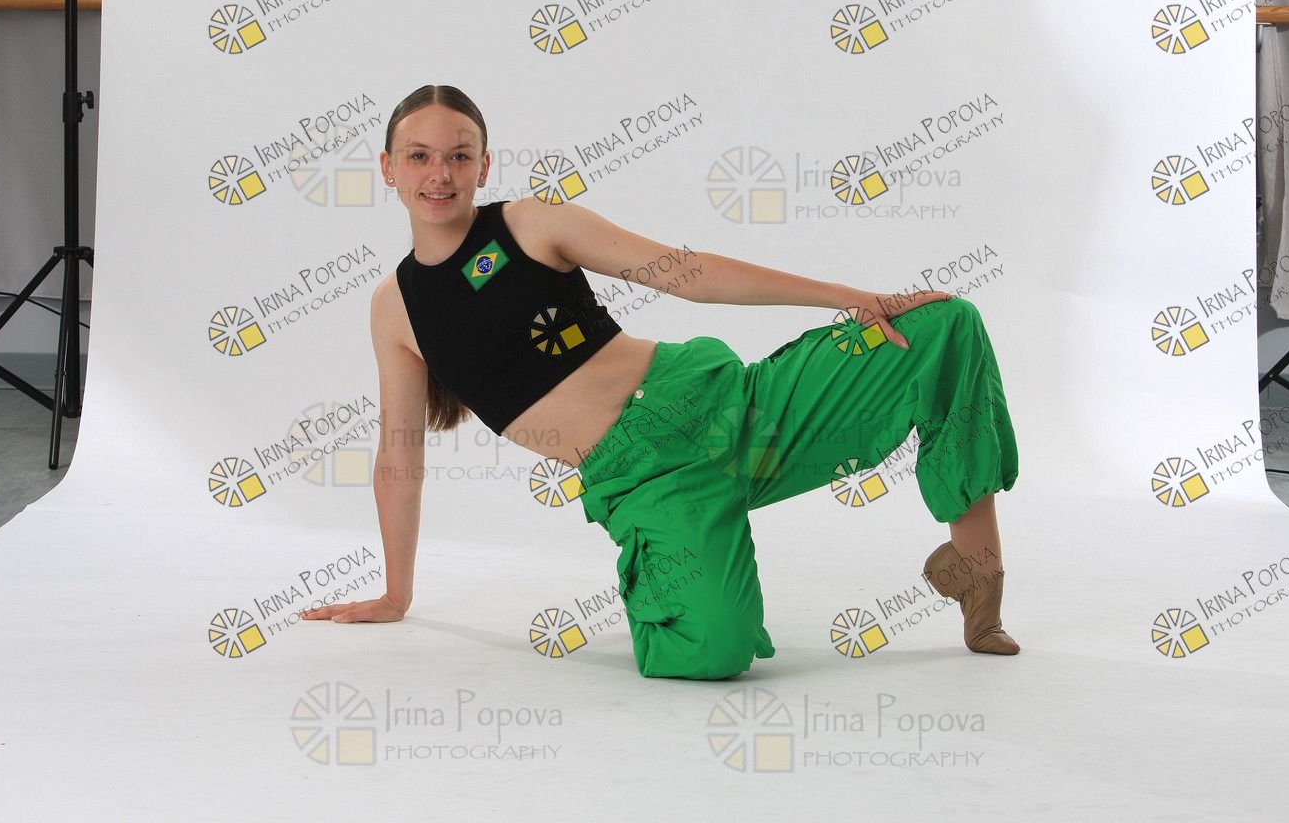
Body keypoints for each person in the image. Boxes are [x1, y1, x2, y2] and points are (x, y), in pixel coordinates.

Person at [301, 84, 1021, 679]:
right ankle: (677, 561)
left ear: (484, 165)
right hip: (648, 483)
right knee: (712, 653)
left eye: (459, 156)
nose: (440, 174)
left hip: (728, 407)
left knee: (945, 326)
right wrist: (396, 593)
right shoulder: (395, 309)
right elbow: (399, 456)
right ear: (388, 168)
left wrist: (853, 298)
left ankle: (976, 570)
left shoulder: (530, 224)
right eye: (419, 157)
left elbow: (689, 274)